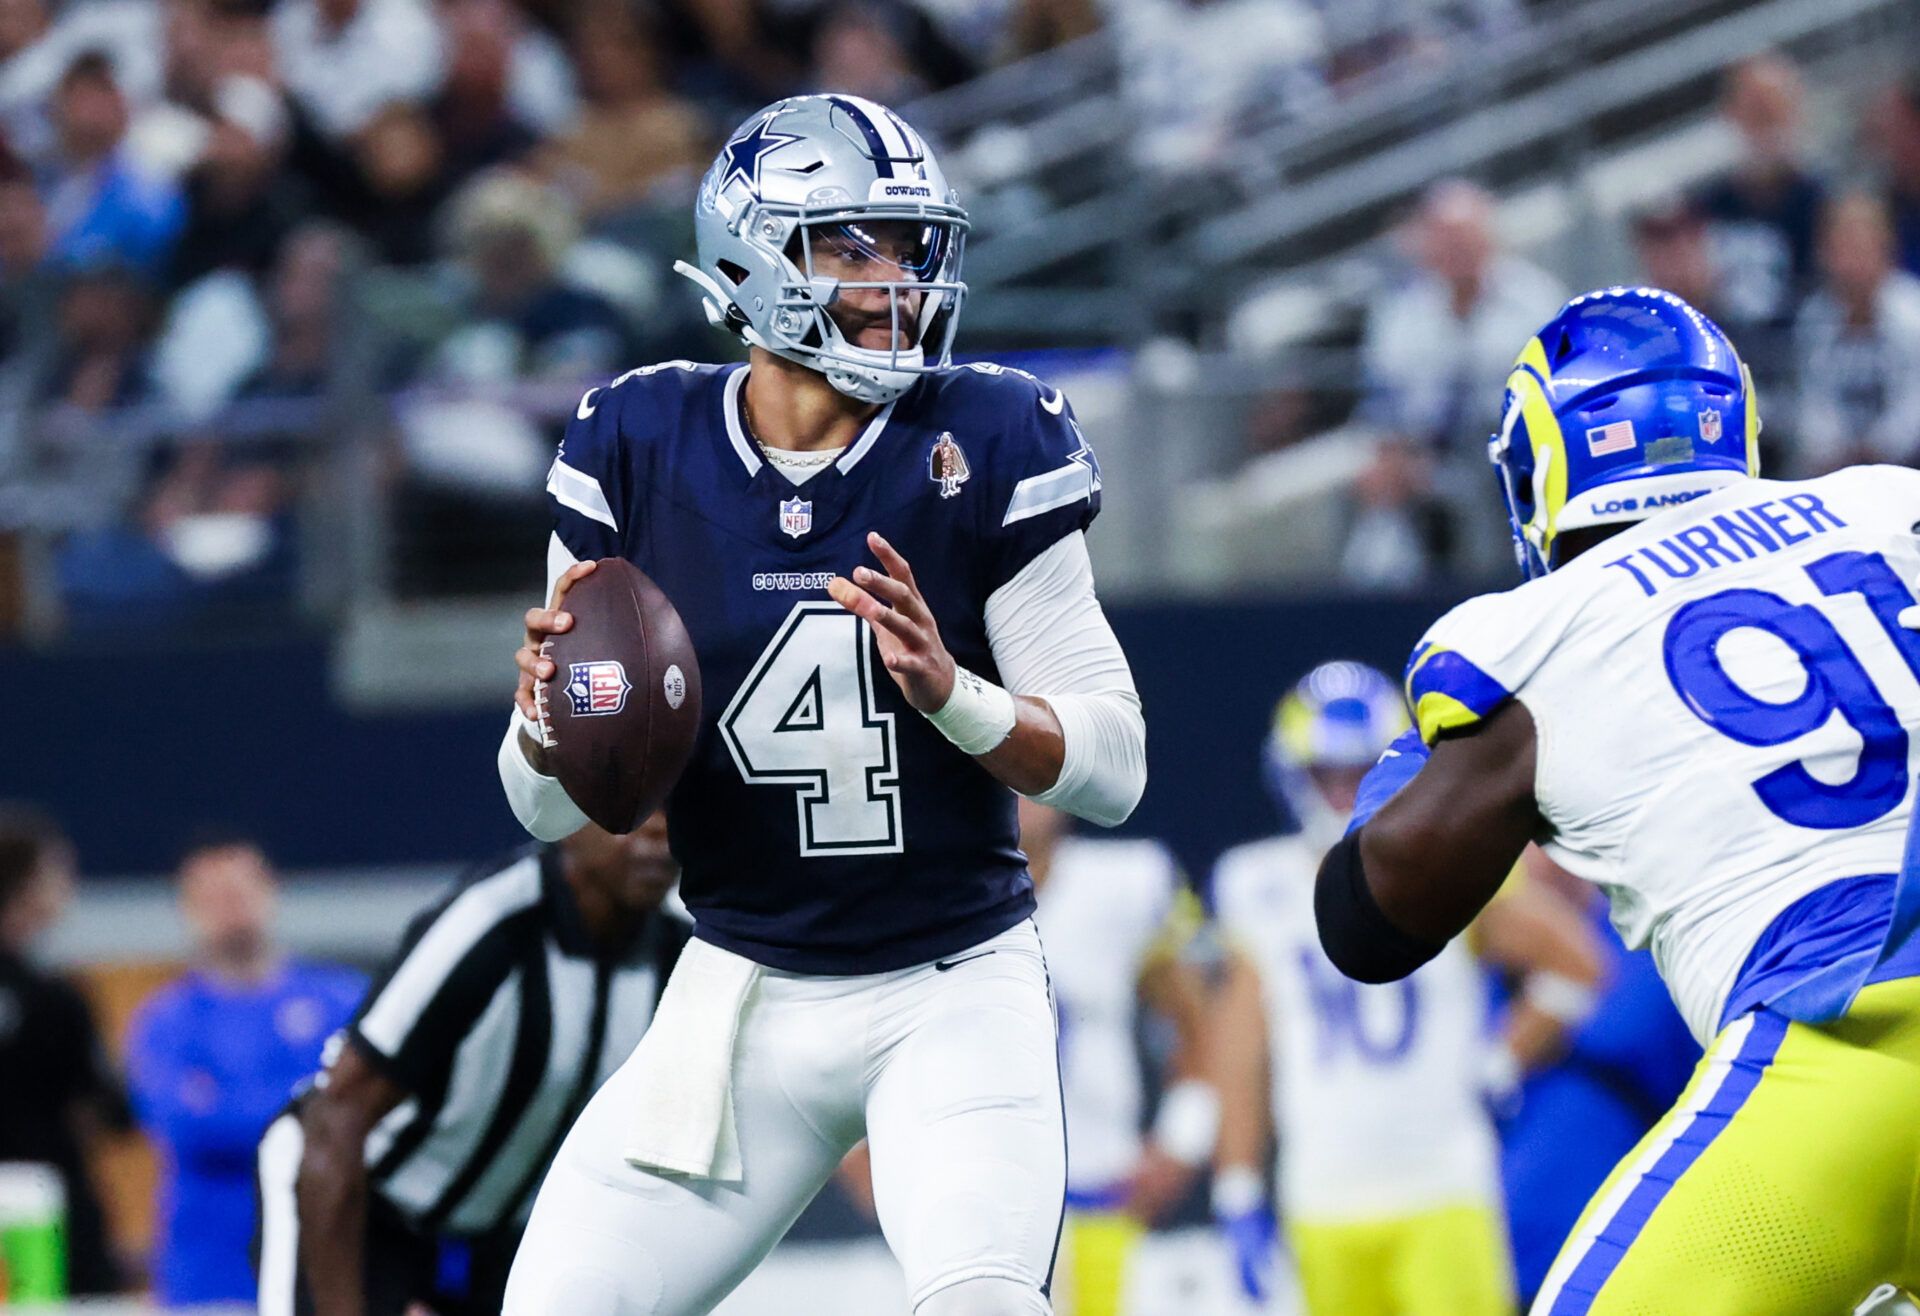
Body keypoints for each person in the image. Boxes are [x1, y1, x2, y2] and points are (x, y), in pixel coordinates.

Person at [498, 93, 1147, 1316]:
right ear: (755, 256)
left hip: (953, 984)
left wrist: (957, 697)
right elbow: (537, 805)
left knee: (984, 1302)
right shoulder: (636, 438)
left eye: (907, 246)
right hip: (741, 992)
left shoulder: (987, 429)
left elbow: (1116, 764)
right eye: (855, 244)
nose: (896, 278)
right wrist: (545, 721)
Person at [1319, 285, 1920, 1311]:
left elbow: (1366, 920)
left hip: (1847, 1047)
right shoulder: (1888, 502)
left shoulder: (1534, 632)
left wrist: (1415, 760)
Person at [1209, 661, 1601, 1315]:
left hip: (1441, 1185)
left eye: (1358, 773)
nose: (1341, 793)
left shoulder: (1442, 867)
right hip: (1323, 1195)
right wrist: (1238, 1188)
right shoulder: (1258, 883)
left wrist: (1501, 1058)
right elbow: (1240, 1050)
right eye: (1324, 775)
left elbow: (1576, 965)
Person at [254, 814, 687, 1316]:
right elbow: (337, 1116)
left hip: (500, 1232)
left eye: (675, 809)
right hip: (363, 1204)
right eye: (632, 812)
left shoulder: (682, 949)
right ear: (568, 816)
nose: (658, 831)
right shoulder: (493, 921)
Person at [126, 838, 364, 1308]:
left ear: (270, 892)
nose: (229, 911)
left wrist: (229, 1102)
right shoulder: (166, 1021)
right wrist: (310, 1106)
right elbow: (185, 1127)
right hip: (210, 1276)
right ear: (187, 908)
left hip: (329, 1264)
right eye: (212, 899)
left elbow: (373, 1116)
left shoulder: (343, 1001)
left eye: (238, 893)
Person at [1021, 797, 1213, 1316]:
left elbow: (1196, 1024)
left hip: (1101, 1194)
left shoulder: (1124, 883)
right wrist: (863, 1157)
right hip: (979, 1207)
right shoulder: (931, 895)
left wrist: (1182, 1139)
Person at [1497, 849, 1698, 1308]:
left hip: (1621, 1260)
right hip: (1483, 1260)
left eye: (1555, 840)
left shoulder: (1653, 951)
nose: (1547, 861)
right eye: (1528, 841)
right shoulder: (1483, 959)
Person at [0, 805, 128, 1296]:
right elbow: (104, 1110)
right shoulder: (57, 997)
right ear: (25, 886)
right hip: (47, 1213)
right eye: (57, 873)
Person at [1792, 191, 1920, 474]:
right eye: (1844, 247)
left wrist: (1879, 449)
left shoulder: (1913, 311)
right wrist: (1836, 450)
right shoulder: (1814, 317)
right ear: (1825, 253)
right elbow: (1813, 402)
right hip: (1838, 468)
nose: (1853, 260)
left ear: (1887, 249)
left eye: (1863, 246)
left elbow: (1915, 402)